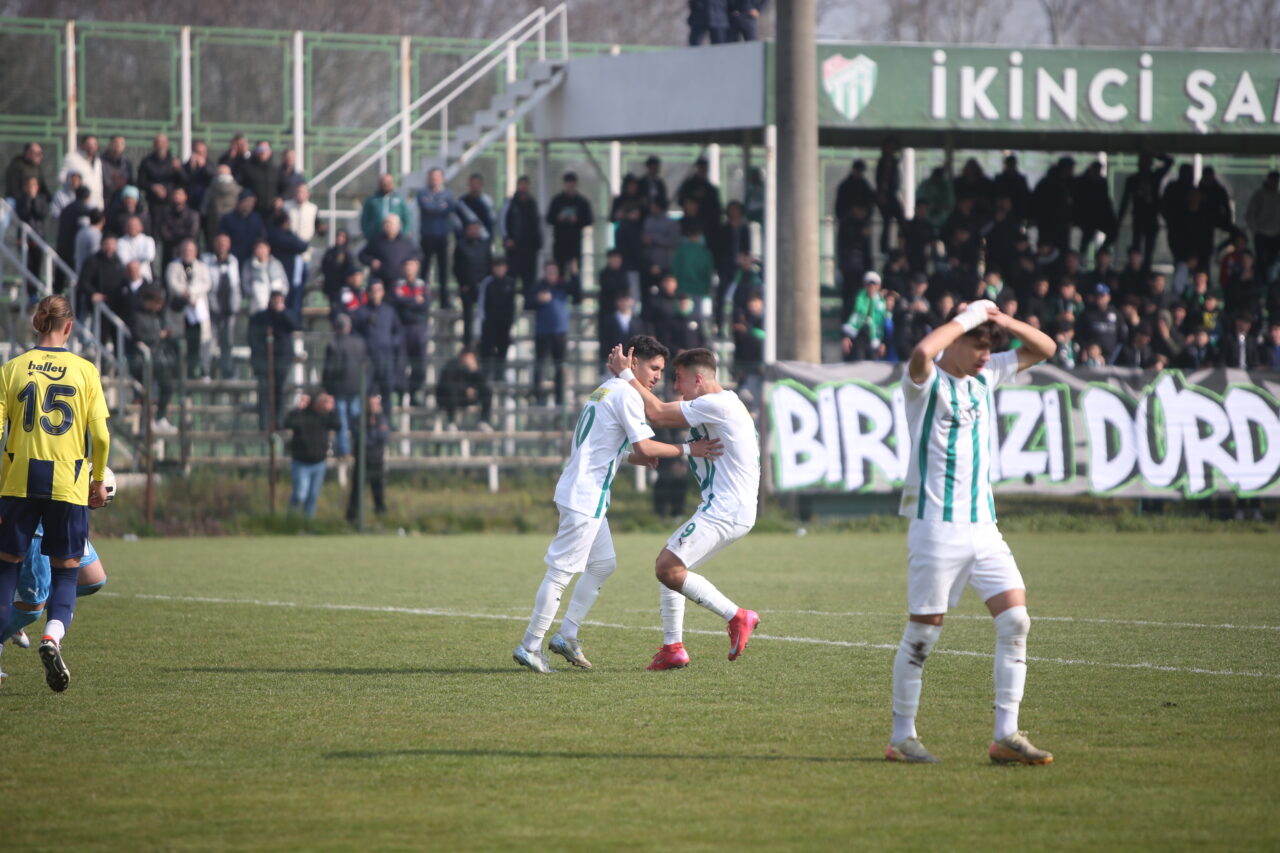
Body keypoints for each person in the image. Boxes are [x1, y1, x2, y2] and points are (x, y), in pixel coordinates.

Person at [886, 297, 1056, 766]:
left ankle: (1005, 735)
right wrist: (966, 319)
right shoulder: (926, 383)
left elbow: (1046, 348)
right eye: (977, 345)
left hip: (984, 527)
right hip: (935, 528)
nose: (985, 354)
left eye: (989, 347)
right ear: (956, 339)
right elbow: (922, 353)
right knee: (923, 635)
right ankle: (902, 737)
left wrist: (1000, 319)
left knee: (1016, 620)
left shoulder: (987, 375)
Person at [514, 335, 722, 673]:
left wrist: (632, 456)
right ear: (633, 362)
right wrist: (689, 449)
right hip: (585, 495)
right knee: (561, 572)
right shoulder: (627, 394)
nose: (658, 377)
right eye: (654, 368)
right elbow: (647, 446)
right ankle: (530, 645)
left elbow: (604, 444)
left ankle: (566, 635)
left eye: (662, 371)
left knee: (603, 564)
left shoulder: (605, 389)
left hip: (580, 489)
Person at [604, 342, 760, 670]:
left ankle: (737, 616)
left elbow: (658, 412)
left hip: (726, 508)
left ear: (698, 379)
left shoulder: (716, 404)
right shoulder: (723, 402)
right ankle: (673, 648)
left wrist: (626, 375)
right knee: (673, 565)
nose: (675, 386)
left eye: (678, 378)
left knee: (667, 567)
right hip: (728, 507)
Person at [0, 295, 111, 693]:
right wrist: (98, 479)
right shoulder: (85, 370)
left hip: (18, 481)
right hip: (68, 483)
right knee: (66, 571)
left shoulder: (12, 369)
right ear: (69, 327)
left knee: (7, 571)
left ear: (38, 322)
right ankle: (52, 636)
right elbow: (101, 436)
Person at [0, 517, 111, 686]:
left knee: (92, 579)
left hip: (67, 514)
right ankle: (15, 619)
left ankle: (15, 612)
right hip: (34, 518)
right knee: (31, 608)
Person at [129, 284, 183, 434]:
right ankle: (147, 422)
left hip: (158, 361)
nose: (159, 306)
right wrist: (158, 336)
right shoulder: (137, 316)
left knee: (167, 385)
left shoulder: (157, 317)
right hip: (142, 361)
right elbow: (138, 336)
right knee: (148, 391)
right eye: (157, 302)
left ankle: (160, 418)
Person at [531, 260, 580, 406]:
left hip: (560, 333)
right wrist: (538, 299)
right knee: (540, 365)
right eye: (549, 271)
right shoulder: (538, 287)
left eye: (554, 271)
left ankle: (560, 398)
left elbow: (577, 293)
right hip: (542, 332)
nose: (551, 274)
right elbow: (527, 303)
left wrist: (575, 274)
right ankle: (538, 397)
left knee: (560, 367)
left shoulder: (563, 286)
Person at [321, 312, 369, 461]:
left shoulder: (333, 345)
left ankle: (344, 451)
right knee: (356, 419)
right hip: (357, 387)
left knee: (341, 421)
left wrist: (325, 387)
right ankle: (360, 448)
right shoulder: (360, 343)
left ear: (336, 328)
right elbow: (366, 366)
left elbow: (329, 370)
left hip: (339, 389)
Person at [417, 167, 468, 307]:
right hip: (427, 236)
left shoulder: (448, 194)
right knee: (424, 269)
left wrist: (435, 206)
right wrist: (439, 206)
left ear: (442, 179)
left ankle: (444, 301)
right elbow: (426, 207)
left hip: (443, 236)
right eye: (432, 177)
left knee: (443, 270)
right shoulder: (422, 193)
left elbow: (448, 208)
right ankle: (421, 299)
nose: (434, 180)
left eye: (437, 177)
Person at [284, 392, 340, 519]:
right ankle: (291, 521)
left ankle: (308, 523)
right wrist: (298, 409)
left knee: (312, 497)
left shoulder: (323, 416)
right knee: (300, 495)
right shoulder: (301, 415)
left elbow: (337, 425)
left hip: (319, 463)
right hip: (301, 462)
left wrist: (332, 408)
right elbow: (288, 423)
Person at [248, 290, 298, 430]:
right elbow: (253, 338)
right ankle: (264, 422)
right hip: (264, 360)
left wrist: (282, 312)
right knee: (264, 390)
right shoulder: (260, 317)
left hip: (282, 359)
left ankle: (279, 421)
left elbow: (295, 325)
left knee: (280, 390)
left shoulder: (286, 315)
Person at [164, 238, 213, 379]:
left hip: (197, 312)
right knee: (179, 342)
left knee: (197, 343)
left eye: (190, 250)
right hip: (179, 312)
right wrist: (185, 293)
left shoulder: (202, 267)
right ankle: (179, 373)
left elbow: (206, 284)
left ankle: (196, 371)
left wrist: (191, 293)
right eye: (185, 250)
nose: (188, 253)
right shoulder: (173, 266)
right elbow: (172, 284)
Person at [353, 280, 403, 406]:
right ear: (368, 293)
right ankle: (365, 417)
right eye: (373, 291)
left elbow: (398, 333)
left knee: (387, 391)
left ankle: (386, 418)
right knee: (365, 391)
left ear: (383, 292)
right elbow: (355, 334)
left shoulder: (389, 311)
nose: (376, 294)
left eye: (379, 290)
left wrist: (389, 344)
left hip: (386, 358)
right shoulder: (361, 312)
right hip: (367, 360)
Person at [391, 257, 431, 406]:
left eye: (412, 265)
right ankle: (400, 393)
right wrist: (415, 301)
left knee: (419, 361)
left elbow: (426, 304)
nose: (409, 268)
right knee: (400, 361)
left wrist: (407, 301)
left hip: (418, 328)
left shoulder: (422, 285)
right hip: (402, 327)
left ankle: (415, 393)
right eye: (406, 265)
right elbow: (396, 301)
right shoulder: (398, 285)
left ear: (417, 266)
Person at [202, 233, 242, 379]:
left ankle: (227, 372)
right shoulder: (207, 261)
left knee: (228, 342)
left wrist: (235, 306)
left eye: (225, 243)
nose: (222, 246)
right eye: (219, 243)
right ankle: (206, 372)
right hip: (212, 309)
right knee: (208, 342)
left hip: (229, 309)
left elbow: (236, 286)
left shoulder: (233, 261)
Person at [346, 393, 390, 523]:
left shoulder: (382, 419)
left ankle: (382, 519)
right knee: (356, 492)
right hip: (362, 462)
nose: (373, 407)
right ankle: (352, 520)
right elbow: (361, 439)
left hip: (377, 462)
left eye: (375, 404)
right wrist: (373, 430)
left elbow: (384, 435)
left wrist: (371, 431)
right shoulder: (359, 419)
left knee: (378, 492)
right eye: (371, 404)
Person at [475, 256, 518, 378]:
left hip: (504, 323)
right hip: (489, 323)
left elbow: (512, 304)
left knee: (503, 350)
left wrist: (511, 320)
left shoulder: (510, 283)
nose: (500, 269)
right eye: (497, 266)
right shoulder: (487, 283)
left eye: (502, 266)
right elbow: (481, 304)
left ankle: (500, 375)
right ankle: (485, 376)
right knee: (487, 351)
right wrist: (484, 321)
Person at [501, 175, 543, 299]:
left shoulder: (533, 203)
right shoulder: (510, 203)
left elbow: (536, 225)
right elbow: (502, 221)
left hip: (529, 249)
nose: (523, 187)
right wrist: (507, 239)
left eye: (526, 184)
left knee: (529, 280)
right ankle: (509, 305)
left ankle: (528, 305)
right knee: (511, 278)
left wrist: (538, 243)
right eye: (521, 184)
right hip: (514, 249)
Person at [545, 172, 594, 272]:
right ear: (564, 184)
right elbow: (549, 219)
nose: (570, 186)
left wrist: (577, 220)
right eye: (568, 183)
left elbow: (589, 220)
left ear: (575, 184)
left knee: (575, 270)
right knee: (559, 270)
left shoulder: (582, 201)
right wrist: (558, 218)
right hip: (560, 242)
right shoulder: (557, 200)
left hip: (575, 242)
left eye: (572, 183)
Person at [436, 347, 492, 429]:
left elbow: (483, 384)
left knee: (487, 391)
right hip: (450, 399)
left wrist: (475, 371)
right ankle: (451, 422)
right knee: (451, 392)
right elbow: (447, 385)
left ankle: (484, 421)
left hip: (467, 398)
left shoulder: (475, 370)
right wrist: (465, 390)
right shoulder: (451, 366)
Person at [842, 271, 888, 361]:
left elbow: (883, 323)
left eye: (874, 285)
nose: (872, 287)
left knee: (874, 364)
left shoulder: (882, 303)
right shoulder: (857, 299)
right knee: (859, 362)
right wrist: (846, 337)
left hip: (874, 338)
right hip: (858, 337)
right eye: (869, 285)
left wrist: (883, 342)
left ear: (878, 286)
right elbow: (847, 317)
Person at [1245, 171, 1280, 281]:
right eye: (1273, 180)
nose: (1274, 183)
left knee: (1273, 260)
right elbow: (1250, 214)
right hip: (1261, 233)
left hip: (1276, 233)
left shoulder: (1277, 196)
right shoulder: (1259, 195)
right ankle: (1261, 281)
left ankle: (1271, 282)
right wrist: (1255, 229)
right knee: (1261, 260)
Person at [156, 185, 201, 267]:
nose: (177, 197)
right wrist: (181, 233)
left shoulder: (193, 214)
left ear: (185, 197)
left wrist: (175, 233)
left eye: (179, 194)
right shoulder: (165, 214)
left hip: (187, 251)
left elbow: (193, 233)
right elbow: (164, 233)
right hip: (170, 251)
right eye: (175, 194)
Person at [360, 173, 412, 243]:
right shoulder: (372, 201)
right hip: (376, 238)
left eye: (388, 182)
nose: (385, 184)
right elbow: (365, 220)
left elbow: (407, 218)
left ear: (393, 183)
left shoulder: (399, 200)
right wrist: (368, 234)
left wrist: (404, 234)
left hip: (395, 239)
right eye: (383, 182)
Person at [241, 238, 289, 314]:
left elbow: (285, 283)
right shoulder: (248, 265)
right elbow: (245, 285)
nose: (260, 251)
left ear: (268, 249)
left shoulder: (276, 264)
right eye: (258, 248)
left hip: (276, 307)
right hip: (256, 306)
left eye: (262, 248)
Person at [220, 188, 266, 264]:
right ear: (239, 202)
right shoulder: (228, 219)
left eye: (252, 202)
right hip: (232, 258)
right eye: (247, 201)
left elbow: (261, 238)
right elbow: (223, 238)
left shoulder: (257, 219)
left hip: (251, 260)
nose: (249, 204)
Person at [60, 135, 103, 211]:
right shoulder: (72, 158)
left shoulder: (97, 162)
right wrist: (76, 186)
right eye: (88, 144)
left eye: (94, 144)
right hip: (78, 204)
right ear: (82, 145)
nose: (91, 147)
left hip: (96, 205)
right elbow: (61, 178)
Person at [203, 164, 242, 248]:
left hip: (214, 221)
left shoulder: (211, 188)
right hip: (234, 223)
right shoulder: (238, 189)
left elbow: (204, 209)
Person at [598, 293, 645, 362]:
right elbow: (605, 342)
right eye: (621, 300)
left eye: (627, 300)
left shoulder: (638, 321)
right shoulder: (609, 320)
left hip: (633, 359)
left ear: (632, 301)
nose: (624, 303)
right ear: (617, 302)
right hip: (614, 359)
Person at [240, 140, 280, 217]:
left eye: (266, 149)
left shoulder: (276, 170)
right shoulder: (247, 168)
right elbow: (241, 185)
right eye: (260, 149)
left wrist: (281, 198)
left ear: (270, 151)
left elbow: (286, 187)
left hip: (272, 212)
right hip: (252, 212)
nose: (263, 152)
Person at [459, 172, 496, 240]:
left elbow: (492, 219)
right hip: (466, 239)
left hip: (484, 238)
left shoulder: (487, 201)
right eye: (473, 183)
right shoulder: (462, 202)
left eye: (477, 183)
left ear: (481, 184)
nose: (475, 186)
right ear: (469, 184)